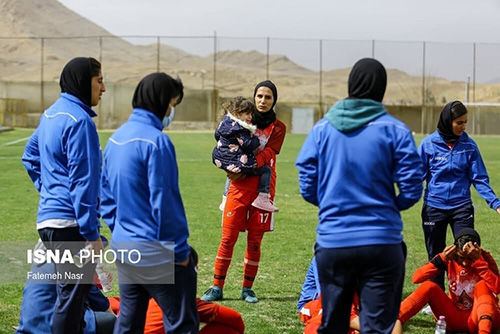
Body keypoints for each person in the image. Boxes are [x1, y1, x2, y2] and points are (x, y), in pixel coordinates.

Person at [295, 58, 424, 333]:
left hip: (334, 242)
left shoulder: (322, 129)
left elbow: (306, 181)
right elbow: (413, 186)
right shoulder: (396, 130)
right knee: (377, 327)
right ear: (382, 89)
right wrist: (391, 206)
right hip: (381, 242)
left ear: (350, 84)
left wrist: (330, 205)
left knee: (334, 325)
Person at [100, 72, 199, 333]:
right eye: (172, 104)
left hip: (126, 248)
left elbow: (106, 198)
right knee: (181, 324)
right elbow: (165, 202)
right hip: (157, 253)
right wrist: (180, 254)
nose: (171, 111)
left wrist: (121, 231)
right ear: (162, 101)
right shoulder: (157, 142)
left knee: (129, 322)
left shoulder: (115, 139)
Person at [21, 57, 106, 334]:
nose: (103, 88)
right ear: (84, 82)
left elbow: (29, 157)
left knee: (69, 298)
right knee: (70, 303)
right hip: (70, 225)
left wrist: (49, 193)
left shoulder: (51, 114)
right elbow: (83, 182)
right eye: (99, 80)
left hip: (48, 223)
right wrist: (91, 233)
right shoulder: (79, 121)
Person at [201, 80, 286, 303]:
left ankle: (247, 289)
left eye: (268, 97)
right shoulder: (240, 120)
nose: (263, 101)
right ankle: (216, 286)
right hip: (237, 186)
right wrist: (232, 168)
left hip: (263, 191)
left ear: (274, 100)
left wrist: (246, 167)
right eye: (259, 96)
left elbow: (268, 155)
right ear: (254, 97)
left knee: (255, 241)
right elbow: (227, 146)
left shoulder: (279, 128)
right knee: (227, 238)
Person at [419, 100, 500, 290]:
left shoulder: (469, 146)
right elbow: (416, 176)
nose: (463, 127)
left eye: (465, 122)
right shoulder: (428, 144)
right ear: (448, 121)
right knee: (436, 254)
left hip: (461, 208)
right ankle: (435, 297)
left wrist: (496, 203)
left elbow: (479, 178)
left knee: (467, 250)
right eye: (459, 123)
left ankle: (466, 295)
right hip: (434, 208)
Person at [108, 248, 245, 334]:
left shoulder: (138, 293)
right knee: (230, 330)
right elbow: (236, 320)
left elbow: (114, 302)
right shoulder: (184, 299)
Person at [396, 228, 500, 333]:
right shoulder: (450, 258)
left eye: (470, 258)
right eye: (461, 257)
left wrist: (478, 262)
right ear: (455, 252)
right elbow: (416, 278)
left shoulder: (484, 258)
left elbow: (496, 288)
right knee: (429, 286)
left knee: (482, 285)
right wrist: (441, 259)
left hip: (481, 319)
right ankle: (395, 318)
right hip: (453, 319)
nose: (464, 263)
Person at [212, 96, 277, 212]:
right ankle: (263, 198)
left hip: (220, 156)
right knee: (266, 170)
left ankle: (225, 197)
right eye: (247, 114)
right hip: (234, 159)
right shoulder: (239, 128)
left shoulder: (225, 122)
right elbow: (248, 144)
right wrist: (256, 140)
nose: (250, 117)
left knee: (232, 171)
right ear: (237, 113)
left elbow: (217, 135)